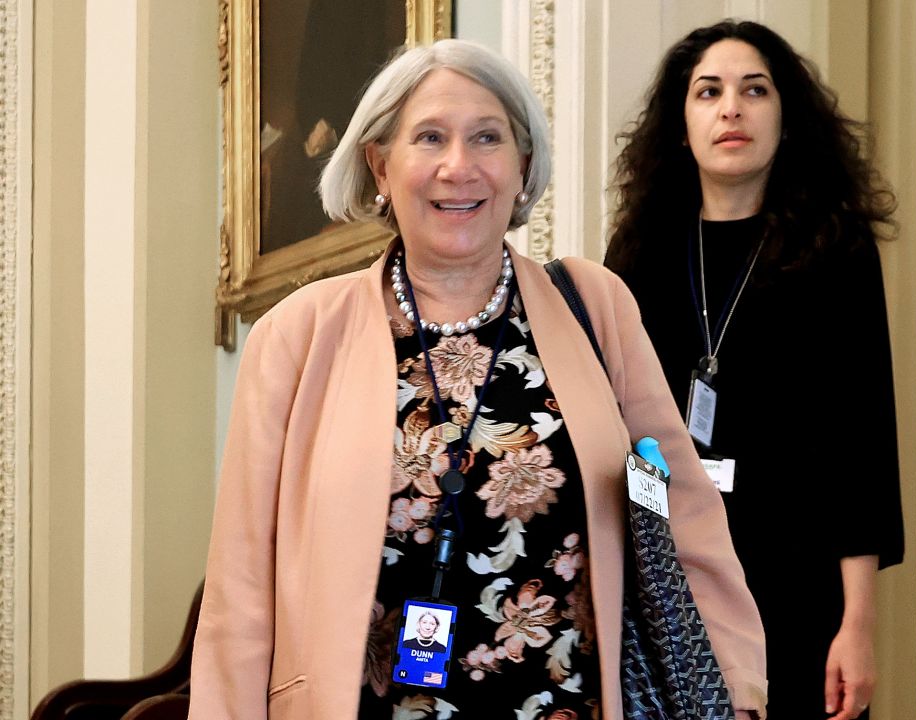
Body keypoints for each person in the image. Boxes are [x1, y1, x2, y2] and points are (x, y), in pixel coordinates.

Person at [191, 39, 767, 719]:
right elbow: (242, 588)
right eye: (429, 138)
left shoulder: (594, 307)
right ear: (381, 165)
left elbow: (689, 521)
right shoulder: (297, 337)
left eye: (487, 138)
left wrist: (737, 689)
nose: (458, 167)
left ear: (522, 166)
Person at [605, 20, 904, 720]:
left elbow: (863, 444)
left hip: (799, 581)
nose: (731, 108)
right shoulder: (639, 255)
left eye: (754, 91)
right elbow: (619, 435)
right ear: (682, 127)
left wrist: (856, 624)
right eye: (708, 91)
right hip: (670, 576)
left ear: (786, 120)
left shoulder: (837, 253)